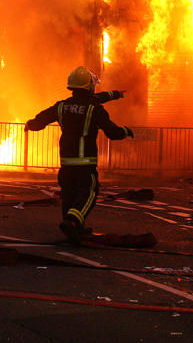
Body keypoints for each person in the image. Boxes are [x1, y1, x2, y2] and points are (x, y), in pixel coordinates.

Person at [24, 66, 133, 244]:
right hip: (86, 164)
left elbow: (41, 120)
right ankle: (73, 221)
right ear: (89, 87)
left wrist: (30, 124)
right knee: (89, 192)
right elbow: (113, 132)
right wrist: (126, 131)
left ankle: (74, 227)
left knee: (69, 194)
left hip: (66, 164)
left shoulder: (62, 106)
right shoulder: (94, 109)